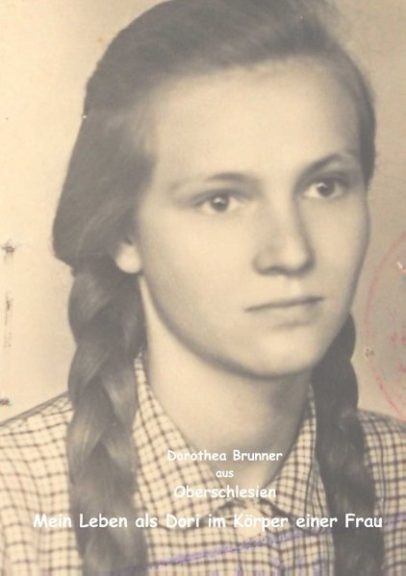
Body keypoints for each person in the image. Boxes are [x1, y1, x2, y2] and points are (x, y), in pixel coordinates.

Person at [0, 0, 404, 574]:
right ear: (124, 234)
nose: (291, 251)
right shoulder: (13, 510)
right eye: (221, 201)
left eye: (325, 186)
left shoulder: (399, 473)